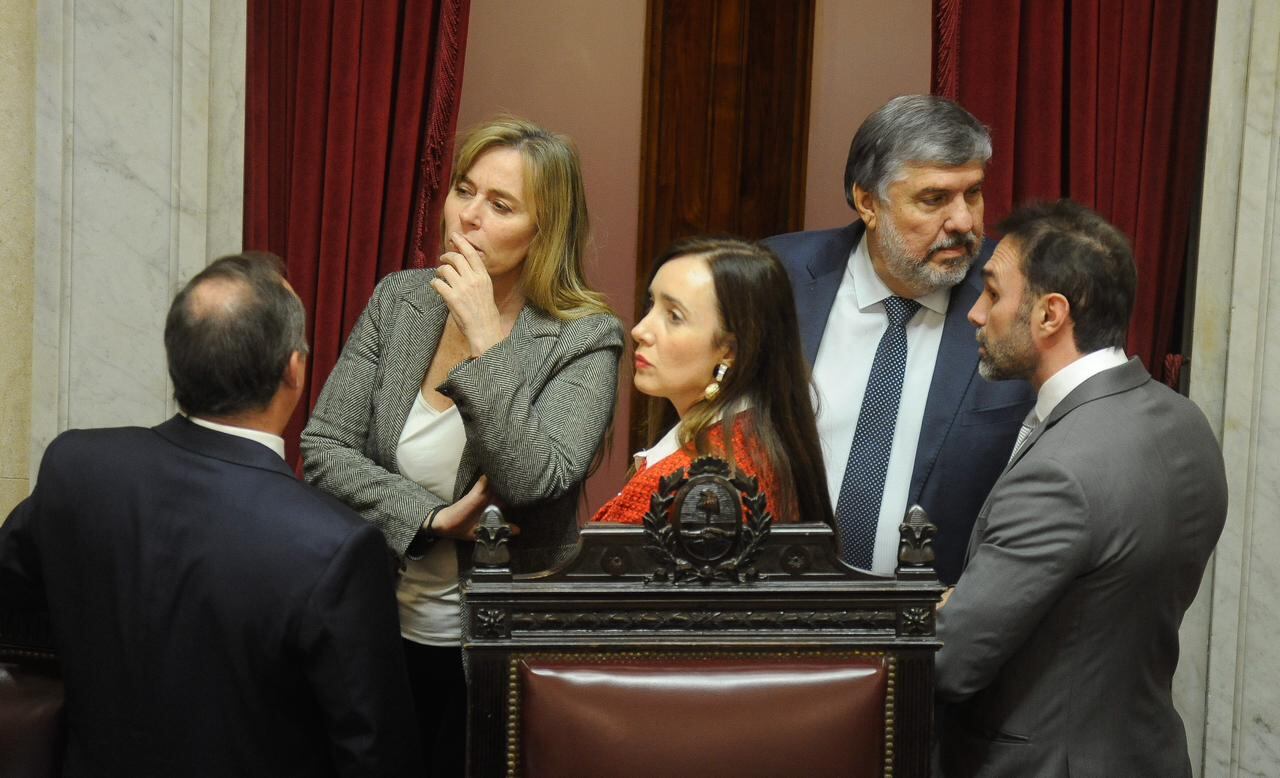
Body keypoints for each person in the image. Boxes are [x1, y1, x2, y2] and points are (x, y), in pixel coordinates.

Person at [0, 253, 420, 776]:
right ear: (295, 370)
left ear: (178, 357)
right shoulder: (338, 546)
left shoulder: (78, 466)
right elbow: (378, 754)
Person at [301, 116, 624, 775]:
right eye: (463, 190)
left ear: (544, 231)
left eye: (500, 205)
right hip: (376, 630)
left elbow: (537, 481)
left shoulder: (586, 339)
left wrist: (485, 338)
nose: (467, 217)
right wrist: (431, 519)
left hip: (503, 650)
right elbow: (325, 447)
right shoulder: (400, 300)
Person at [934, 201, 1228, 775]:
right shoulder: (1184, 421)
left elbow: (950, 662)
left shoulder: (1059, 474)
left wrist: (949, 611)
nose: (974, 313)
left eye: (993, 293)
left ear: (1050, 314)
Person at [765, 95, 1034, 583]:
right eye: (934, 199)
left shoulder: (1017, 301)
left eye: (972, 194)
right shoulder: (774, 278)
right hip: (778, 608)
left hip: (939, 624)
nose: (964, 222)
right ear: (868, 202)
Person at [592, 237, 833, 529]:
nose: (640, 330)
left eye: (674, 316)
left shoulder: (691, 484)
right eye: (651, 304)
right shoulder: (756, 437)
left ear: (729, 351)